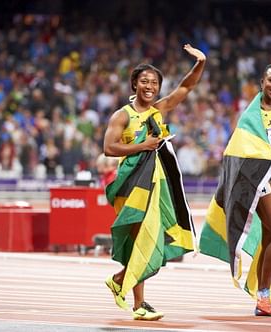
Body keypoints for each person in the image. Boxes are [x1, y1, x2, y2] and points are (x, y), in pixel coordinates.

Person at [103, 44, 206, 321]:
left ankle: (120, 281)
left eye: (155, 83)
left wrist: (200, 63)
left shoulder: (157, 111)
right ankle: (138, 304)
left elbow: (184, 89)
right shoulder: (123, 115)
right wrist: (143, 146)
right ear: (135, 84)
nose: (150, 86)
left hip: (156, 182)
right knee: (141, 237)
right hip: (132, 184)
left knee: (151, 238)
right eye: (144, 81)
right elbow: (109, 148)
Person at [199, 64, 271, 317]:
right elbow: (239, 152)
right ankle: (263, 295)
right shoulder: (251, 115)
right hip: (262, 182)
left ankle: (262, 299)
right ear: (261, 82)